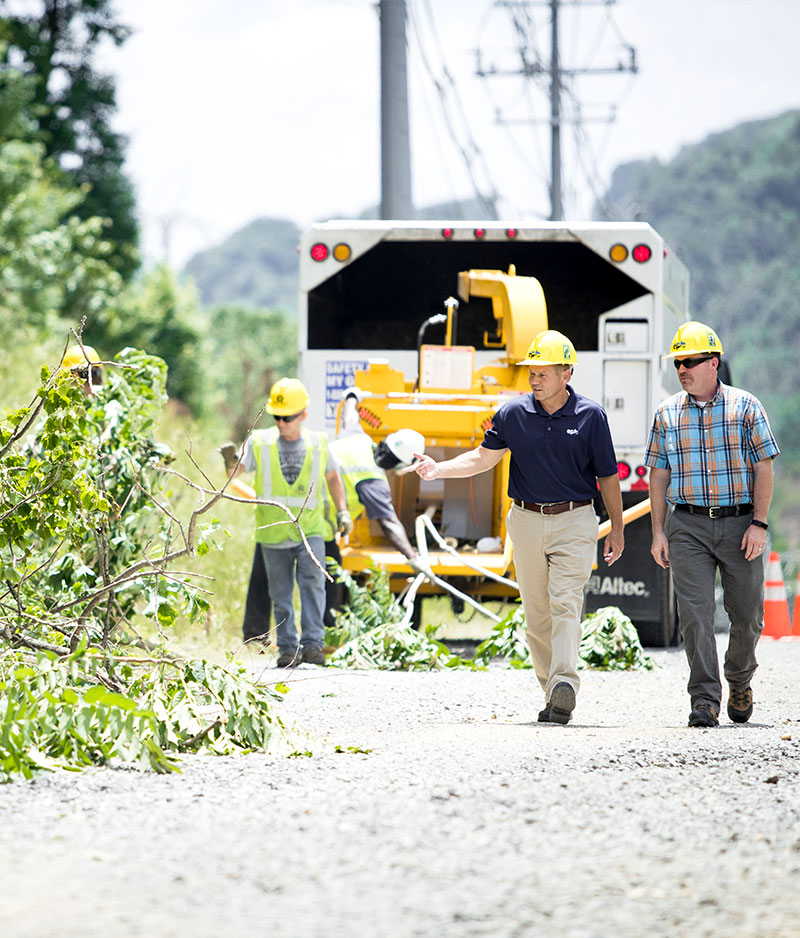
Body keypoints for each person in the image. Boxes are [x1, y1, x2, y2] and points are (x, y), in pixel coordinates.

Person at [412, 329, 624, 724]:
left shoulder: (591, 416)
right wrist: (436, 468)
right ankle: (553, 694)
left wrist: (617, 526)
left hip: (576, 519)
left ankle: (565, 682)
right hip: (525, 521)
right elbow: (482, 458)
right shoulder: (512, 413)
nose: (534, 379)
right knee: (536, 613)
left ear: (567, 373)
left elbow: (608, 476)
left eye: (543, 372)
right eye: (531, 372)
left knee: (565, 603)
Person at [645, 321, 779, 728]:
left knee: (748, 615)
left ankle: (739, 680)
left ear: (713, 363)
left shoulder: (746, 406)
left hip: (741, 525)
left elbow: (764, 466)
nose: (682, 369)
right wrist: (657, 532)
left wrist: (759, 523)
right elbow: (659, 476)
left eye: (690, 362)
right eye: (677, 363)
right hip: (687, 525)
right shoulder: (666, 413)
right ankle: (704, 699)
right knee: (694, 615)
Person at [228, 390, 430, 642]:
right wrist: (412, 557)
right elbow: (389, 522)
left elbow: (349, 417)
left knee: (266, 573)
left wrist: (354, 397)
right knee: (330, 577)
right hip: (314, 523)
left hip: (283, 509)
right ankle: (325, 635)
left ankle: (255, 636)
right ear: (401, 466)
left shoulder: (357, 438)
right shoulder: (373, 482)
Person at [229, 377, 352, 668]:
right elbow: (237, 471)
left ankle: (313, 646)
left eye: (287, 417)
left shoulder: (319, 443)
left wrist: (342, 511)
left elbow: (333, 477)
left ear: (303, 415)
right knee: (280, 593)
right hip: (273, 533)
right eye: (277, 417)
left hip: (309, 530)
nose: (281, 422)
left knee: (313, 585)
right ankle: (288, 649)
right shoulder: (260, 442)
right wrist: (228, 460)